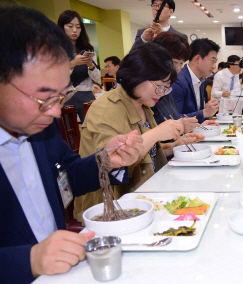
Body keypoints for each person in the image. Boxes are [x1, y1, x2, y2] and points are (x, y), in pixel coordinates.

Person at [0, 6, 144, 283]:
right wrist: (27, 260)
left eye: (62, 96)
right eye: (44, 98)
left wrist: (107, 160)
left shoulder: (41, 128)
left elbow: (67, 175)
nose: (55, 112)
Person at [74, 43, 188, 222]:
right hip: (111, 210)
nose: (162, 92)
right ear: (137, 76)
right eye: (159, 85)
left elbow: (147, 155)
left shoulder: (142, 103)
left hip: (143, 198)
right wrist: (157, 132)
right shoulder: (106, 109)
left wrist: (173, 146)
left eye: (166, 87)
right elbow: (114, 165)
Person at [151, 31, 216, 136]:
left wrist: (200, 125)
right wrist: (203, 113)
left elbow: (173, 117)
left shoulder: (201, 81)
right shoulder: (177, 82)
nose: (177, 68)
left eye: (181, 63)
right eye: (175, 62)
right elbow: (168, 119)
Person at [58, 10, 100, 122]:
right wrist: (72, 64)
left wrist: (91, 65)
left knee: (93, 130)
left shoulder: (88, 49)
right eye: (70, 26)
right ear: (62, 27)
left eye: (78, 26)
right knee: (69, 134)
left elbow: (97, 78)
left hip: (86, 95)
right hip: (66, 96)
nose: (75, 30)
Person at [170, 38, 220, 123]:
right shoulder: (179, 81)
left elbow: (198, 112)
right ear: (198, 59)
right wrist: (204, 113)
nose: (214, 66)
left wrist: (206, 120)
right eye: (212, 61)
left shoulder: (200, 79)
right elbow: (174, 117)